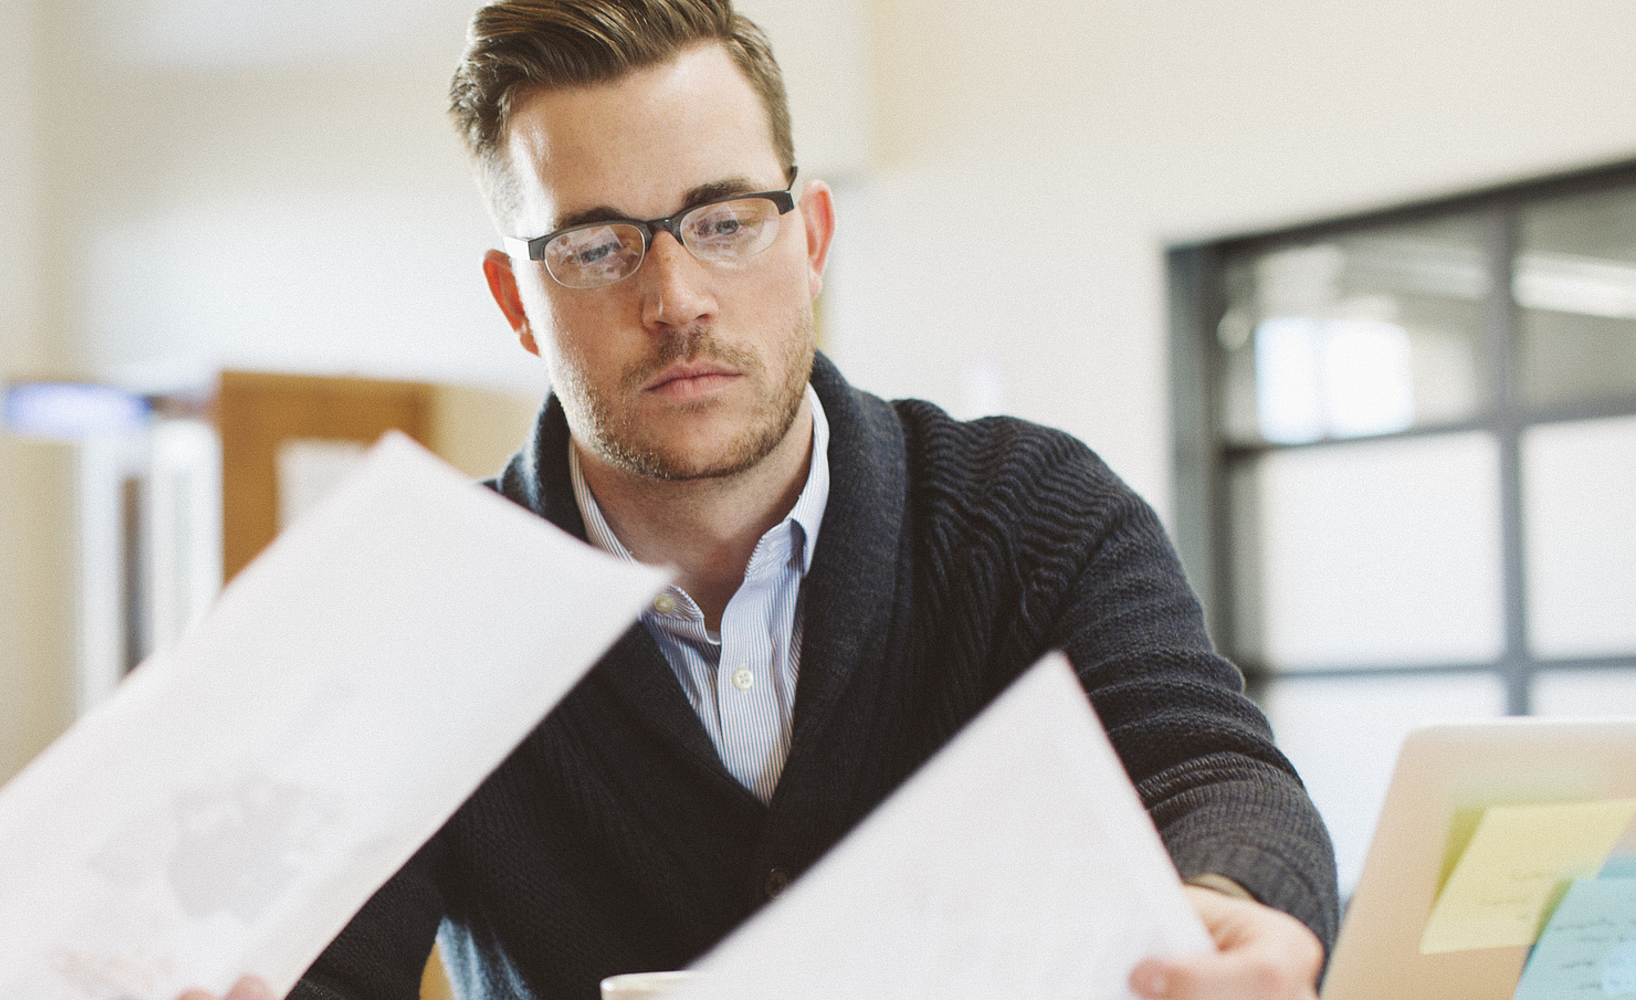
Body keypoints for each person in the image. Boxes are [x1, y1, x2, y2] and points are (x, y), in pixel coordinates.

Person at [188, 1, 1336, 997]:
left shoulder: (1031, 512)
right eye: (596, 247)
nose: (677, 296)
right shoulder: (423, 607)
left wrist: (1226, 896)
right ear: (514, 299)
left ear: (813, 235)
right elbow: (322, 955)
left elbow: (1205, 769)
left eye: (723, 221)